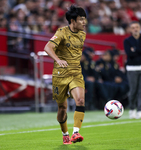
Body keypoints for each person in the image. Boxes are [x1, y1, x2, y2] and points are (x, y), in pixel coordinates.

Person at [44, 5, 87, 144]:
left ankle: (76, 133)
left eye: (84, 19)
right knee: (62, 108)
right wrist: (58, 59)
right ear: (73, 21)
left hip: (75, 72)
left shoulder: (82, 34)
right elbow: (47, 47)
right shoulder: (61, 32)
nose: (84, 22)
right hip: (60, 74)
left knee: (80, 101)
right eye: (81, 19)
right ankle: (65, 133)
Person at [123, 21, 141, 119]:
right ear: (130, 29)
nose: (135, 29)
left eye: (137, 27)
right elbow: (129, 53)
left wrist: (135, 49)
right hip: (132, 68)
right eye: (133, 27)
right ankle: (132, 109)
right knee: (133, 90)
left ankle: (140, 110)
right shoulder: (127, 41)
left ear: (139, 28)